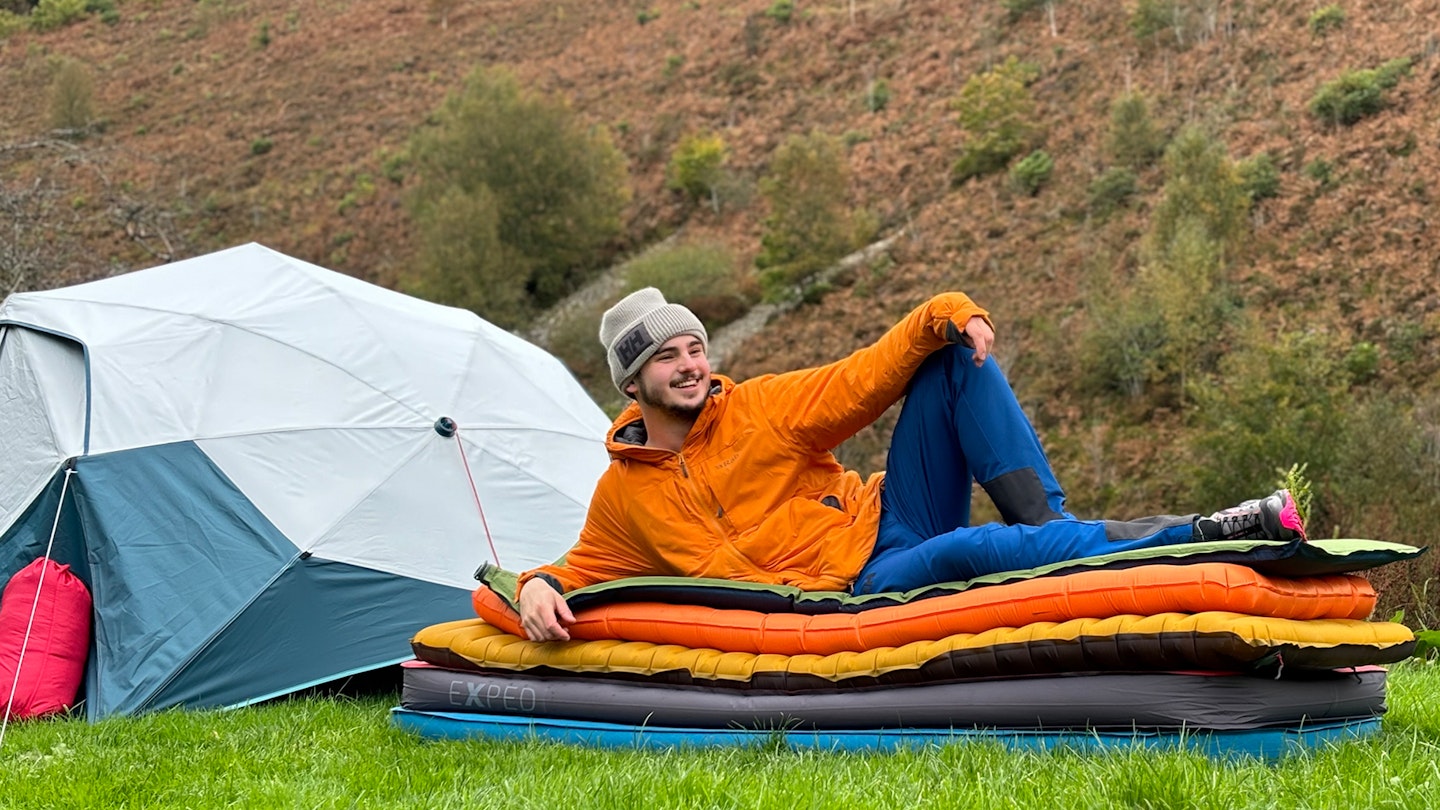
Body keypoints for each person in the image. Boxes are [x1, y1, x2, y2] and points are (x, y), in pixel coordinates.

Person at [517, 288, 1305, 641]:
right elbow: (577, 567)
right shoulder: (626, 495)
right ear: (633, 383)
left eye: (695, 347)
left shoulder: (761, 407)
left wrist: (944, 311)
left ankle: (1063, 534)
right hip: (857, 585)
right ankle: (1200, 531)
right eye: (667, 357)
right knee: (975, 552)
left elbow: (867, 373)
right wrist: (535, 587)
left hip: (890, 516)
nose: (690, 366)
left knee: (949, 362)